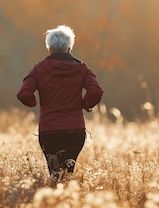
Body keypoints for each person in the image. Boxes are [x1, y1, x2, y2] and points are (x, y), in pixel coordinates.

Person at [17, 25, 104, 185]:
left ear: (49, 49)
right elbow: (96, 91)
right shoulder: (81, 68)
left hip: (49, 132)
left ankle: (55, 201)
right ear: (69, 48)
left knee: (54, 174)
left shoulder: (39, 69)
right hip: (75, 131)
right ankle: (67, 201)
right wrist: (84, 104)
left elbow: (24, 94)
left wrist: (35, 103)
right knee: (68, 173)